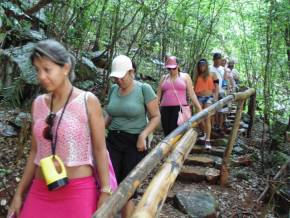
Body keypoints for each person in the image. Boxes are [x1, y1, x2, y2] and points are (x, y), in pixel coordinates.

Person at [7, 39, 114, 218]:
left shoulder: (88, 101)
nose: (41, 76)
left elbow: (100, 149)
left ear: (65, 68)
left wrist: (105, 191)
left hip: (78, 192)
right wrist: (19, 194)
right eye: (37, 70)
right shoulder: (38, 104)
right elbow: (35, 152)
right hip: (41, 189)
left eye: (47, 69)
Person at [105, 55, 160, 218]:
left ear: (131, 72)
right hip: (113, 140)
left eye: (121, 77)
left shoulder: (144, 89)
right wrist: (97, 131)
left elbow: (156, 116)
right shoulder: (114, 89)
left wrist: (143, 135)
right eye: (116, 78)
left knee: (128, 188)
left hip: (134, 142)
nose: (118, 81)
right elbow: (110, 115)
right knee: (109, 183)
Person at [157, 56, 202, 136]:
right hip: (165, 109)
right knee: (167, 133)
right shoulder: (164, 78)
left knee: (176, 134)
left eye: (173, 68)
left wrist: (199, 107)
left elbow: (192, 94)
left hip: (179, 109)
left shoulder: (185, 76)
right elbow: (158, 97)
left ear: (178, 66)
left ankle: (176, 148)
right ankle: (169, 149)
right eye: (169, 69)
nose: (171, 71)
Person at [194, 59, 218, 149]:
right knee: (199, 117)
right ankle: (205, 133)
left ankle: (208, 140)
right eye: (200, 65)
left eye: (203, 65)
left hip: (209, 97)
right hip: (199, 98)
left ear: (206, 65)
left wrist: (215, 98)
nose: (202, 67)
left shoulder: (212, 74)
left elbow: (216, 86)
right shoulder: (197, 75)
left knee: (207, 118)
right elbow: (194, 88)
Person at [209, 53, 226, 133]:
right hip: (211, 91)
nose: (218, 60)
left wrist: (226, 88)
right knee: (212, 110)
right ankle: (212, 126)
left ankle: (220, 126)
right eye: (216, 59)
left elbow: (225, 81)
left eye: (219, 59)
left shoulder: (223, 69)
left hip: (221, 91)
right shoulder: (209, 69)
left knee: (221, 110)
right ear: (214, 59)